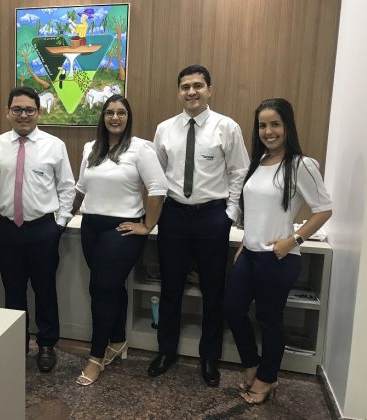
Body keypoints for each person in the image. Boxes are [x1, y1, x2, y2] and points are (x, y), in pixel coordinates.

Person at [224, 98, 332, 404]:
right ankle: (253, 365)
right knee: (232, 309)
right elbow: (256, 210)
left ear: (287, 126)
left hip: (278, 257)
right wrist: (245, 242)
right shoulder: (258, 163)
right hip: (250, 253)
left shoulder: (301, 165)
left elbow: (324, 210)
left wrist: (293, 240)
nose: (268, 131)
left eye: (275, 124)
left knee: (269, 319)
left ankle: (267, 379)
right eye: (262, 125)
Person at [150, 64, 250, 386]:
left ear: (209, 90)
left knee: (213, 290)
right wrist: (154, 214)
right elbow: (156, 175)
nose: (191, 91)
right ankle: (166, 351)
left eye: (197, 85)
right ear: (178, 91)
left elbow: (239, 172)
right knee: (171, 287)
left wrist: (230, 214)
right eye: (185, 86)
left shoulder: (226, 127)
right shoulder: (165, 129)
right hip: (174, 216)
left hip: (212, 217)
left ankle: (209, 356)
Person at [72, 95, 168, 385]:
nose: (115, 117)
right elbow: (81, 187)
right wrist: (66, 214)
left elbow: (158, 186)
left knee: (100, 288)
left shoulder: (140, 148)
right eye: (110, 112)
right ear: (103, 117)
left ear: (128, 117)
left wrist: (148, 225)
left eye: (121, 113)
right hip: (91, 226)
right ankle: (117, 341)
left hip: (122, 229)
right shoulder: (91, 148)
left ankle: (96, 357)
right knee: (111, 287)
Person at [0, 87, 75, 373]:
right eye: (17, 109)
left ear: (39, 112)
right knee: (13, 290)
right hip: (6, 230)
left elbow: (66, 187)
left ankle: (47, 344)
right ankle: (17, 342)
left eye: (29, 110)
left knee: (45, 289)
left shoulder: (54, 145)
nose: (23, 115)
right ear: (7, 112)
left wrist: (60, 223)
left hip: (42, 230)